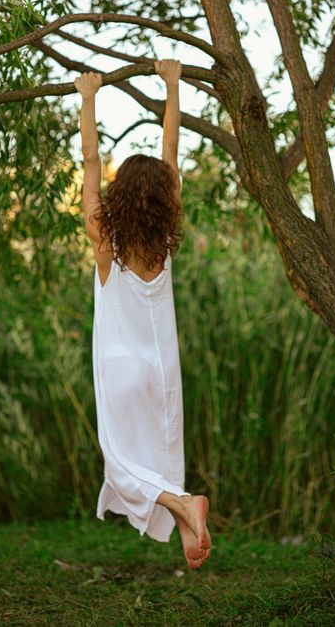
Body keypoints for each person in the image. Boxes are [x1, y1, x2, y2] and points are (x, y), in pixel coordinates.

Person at [75, 59, 212, 570]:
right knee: (161, 450)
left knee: (119, 462)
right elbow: (170, 152)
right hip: (163, 370)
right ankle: (182, 517)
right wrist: (173, 86)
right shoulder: (164, 246)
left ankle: (179, 504)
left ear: (120, 198)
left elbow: (90, 162)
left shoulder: (106, 245)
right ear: (161, 201)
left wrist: (88, 96)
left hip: (120, 369)